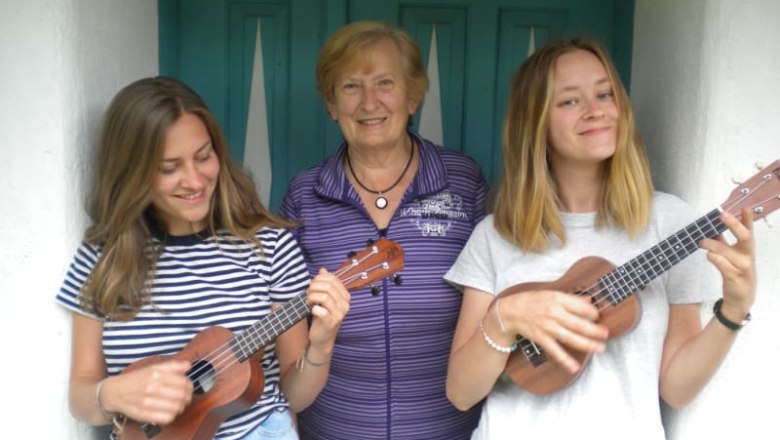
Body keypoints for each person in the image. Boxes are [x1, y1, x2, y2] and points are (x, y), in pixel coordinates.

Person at [444, 37, 756, 439]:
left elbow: (676, 390)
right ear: (535, 123)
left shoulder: (670, 223)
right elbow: (461, 393)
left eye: (605, 94)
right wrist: (505, 318)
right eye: (570, 101)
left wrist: (734, 308)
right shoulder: (496, 235)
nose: (596, 111)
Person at [56, 76, 350, 440]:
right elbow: (81, 393)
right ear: (132, 172)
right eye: (169, 168)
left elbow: (297, 397)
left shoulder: (271, 246)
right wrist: (111, 394)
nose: (194, 181)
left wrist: (322, 343)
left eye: (203, 157)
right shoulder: (102, 258)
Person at [280, 21, 488, 439]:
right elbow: (289, 349)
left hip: (448, 430)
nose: (369, 102)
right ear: (331, 104)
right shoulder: (305, 196)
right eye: (350, 87)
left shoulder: (462, 181)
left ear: (413, 96)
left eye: (385, 83)